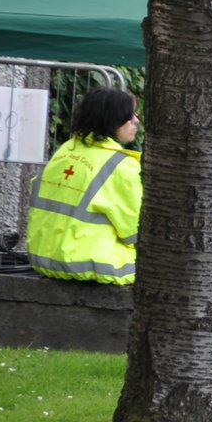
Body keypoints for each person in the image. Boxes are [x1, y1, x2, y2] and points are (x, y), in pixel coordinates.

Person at [26, 88, 142, 285]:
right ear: (111, 119)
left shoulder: (65, 151)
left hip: (44, 260)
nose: (136, 120)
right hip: (94, 265)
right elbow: (137, 231)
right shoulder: (119, 165)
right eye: (129, 115)